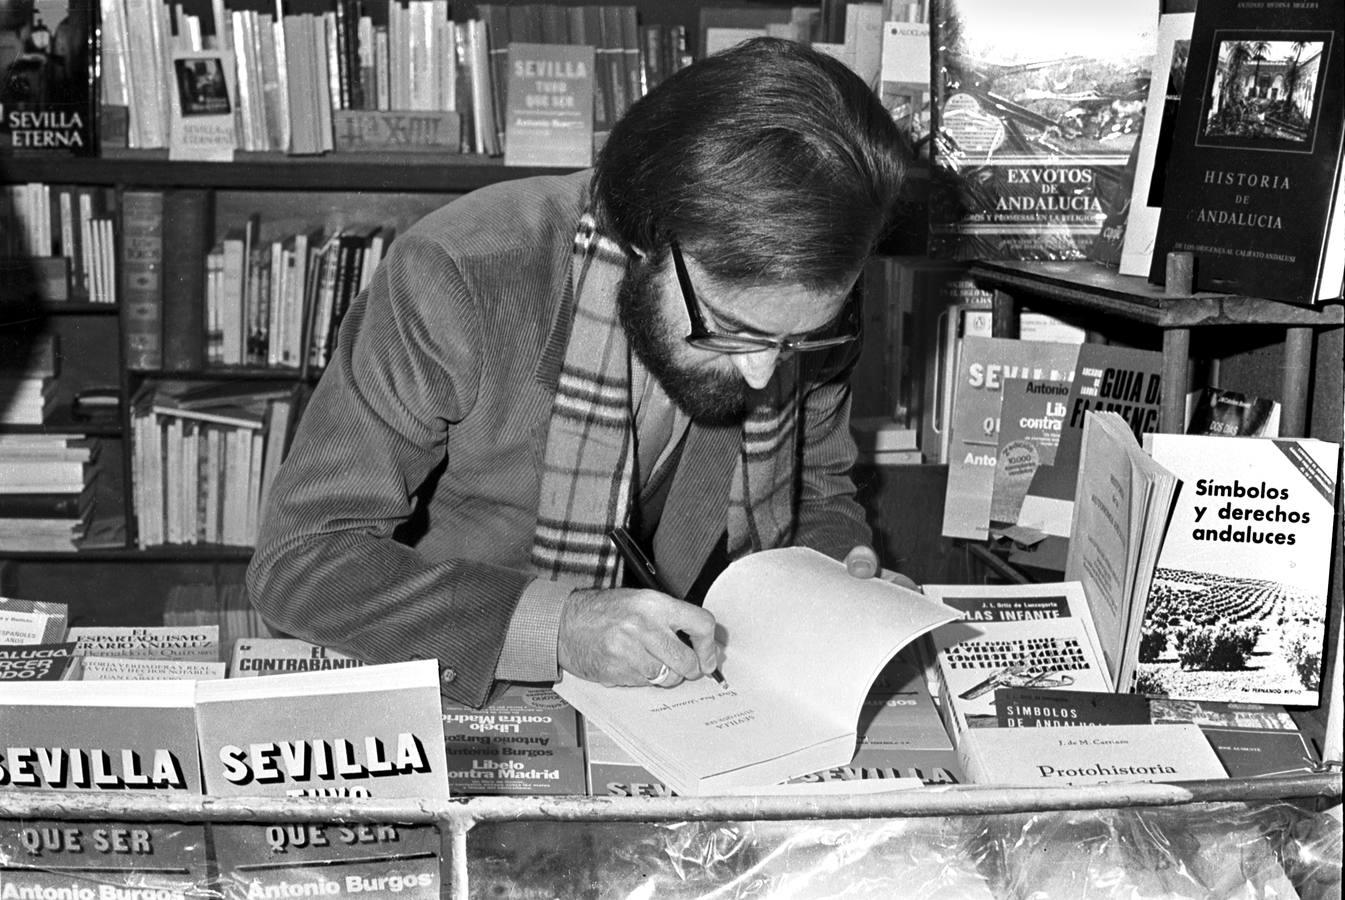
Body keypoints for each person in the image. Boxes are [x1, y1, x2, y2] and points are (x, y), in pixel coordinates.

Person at [246, 37, 913, 708]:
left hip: (689, 688)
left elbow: (817, 488)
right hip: (471, 673)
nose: (764, 372)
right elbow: (303, 561)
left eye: (795, 340)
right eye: (729, 328)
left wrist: (839, 575)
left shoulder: (802, 298)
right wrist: (558, 627)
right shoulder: (460, 275)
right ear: (648, 239)